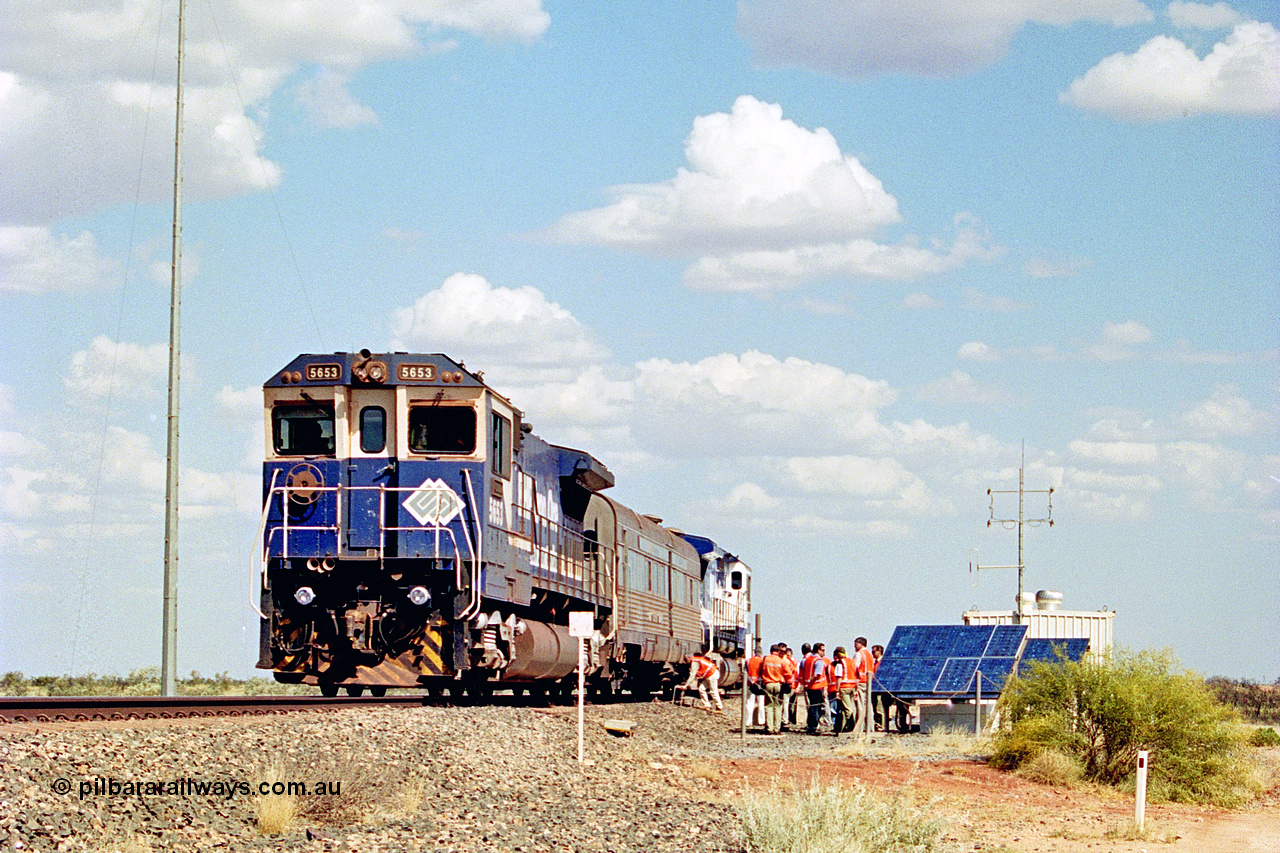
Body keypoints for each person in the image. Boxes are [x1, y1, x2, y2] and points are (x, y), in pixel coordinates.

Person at [800, 642, 829, 734]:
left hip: (809, 687)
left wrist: (806, 684)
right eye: (823, 650)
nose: (824, 652)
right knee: (816, 708)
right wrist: (811, 682)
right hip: (816, 686)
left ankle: (810, 726)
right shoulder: (818, 661)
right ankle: (813, 727)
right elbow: (817, 674)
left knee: (812, 706)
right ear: (818, 650)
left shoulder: (808, 659)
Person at [830, 646, 857, 735]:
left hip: (844, 687)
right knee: (850, 707)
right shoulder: (852, 661)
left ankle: (850, 727)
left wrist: (837, 691)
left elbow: (839, 678)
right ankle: (845, 726)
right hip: (852, 687)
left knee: (847, 709)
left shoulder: (840, 663)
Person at [761, 644, 788, 734]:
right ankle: (777, 729)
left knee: (768, 706)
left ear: (770, 651)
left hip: (768, 684)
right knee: (777, 707)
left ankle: (769, 728)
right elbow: (788, 673)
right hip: (778, 684)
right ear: (779, 651)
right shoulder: (781, 661)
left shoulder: (766, 659)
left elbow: (762, 670)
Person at [852, 637, 876, 732]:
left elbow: (855, 668)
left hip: (861, 681)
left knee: (861, 705)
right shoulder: (869, 654)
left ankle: (860, 728)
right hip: (869, 682)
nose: (854, 646)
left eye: (856, 644)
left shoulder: (859, 654)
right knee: (868, 705)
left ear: (860, 643)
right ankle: (870, 727)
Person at [745, 648, 765, 728]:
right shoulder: (763, 661)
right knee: (761, 703)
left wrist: (750, 680)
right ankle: (761, 721)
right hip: (760, 684)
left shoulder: (748, 660)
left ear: (754, 652)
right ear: (761, 653)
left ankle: (748, 721)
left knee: (749, 704)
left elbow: (744, 672)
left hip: (750, 684)